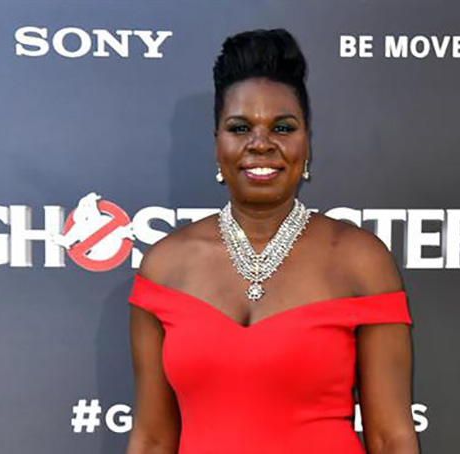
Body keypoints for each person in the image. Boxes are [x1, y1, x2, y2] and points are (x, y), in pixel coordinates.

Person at [126, 28, 418, 454]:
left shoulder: (360, 260)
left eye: (282, 127)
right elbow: (152, 439)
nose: (261, 143)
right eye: (240, 127)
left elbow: (391, 437)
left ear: (307, 142)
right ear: (217, 145)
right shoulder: (165, 267)